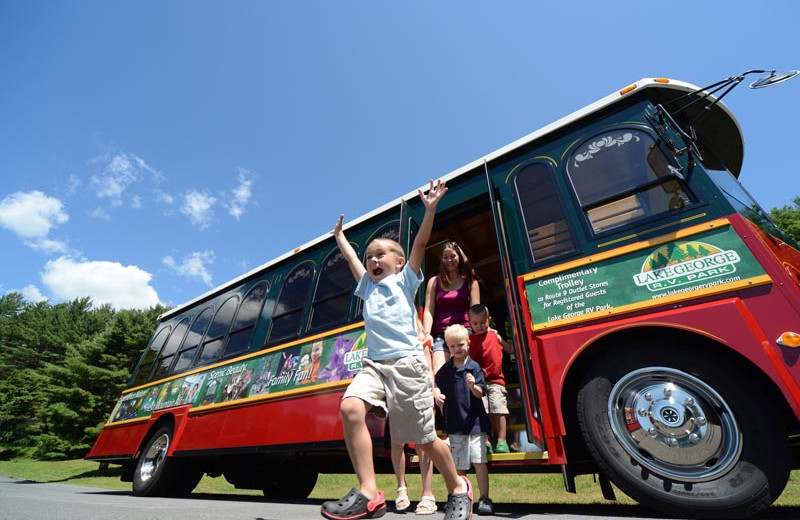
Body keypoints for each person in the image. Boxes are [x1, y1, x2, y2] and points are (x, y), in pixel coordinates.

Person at [321, 179, 473, 520]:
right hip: (375, 365)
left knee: (424, 441)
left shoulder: (406, 280)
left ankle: (458, 488)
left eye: (381, 254)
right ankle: (368, 492)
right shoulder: (367, 286)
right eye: (369, 256)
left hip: (407, 366)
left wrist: (429, 210)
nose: (373, 259)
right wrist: (340, 238)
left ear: (400, 262)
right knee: (350, 408)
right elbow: (351, 262)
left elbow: (420, 242)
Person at [434, 324, 494, 516]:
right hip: (455, 424)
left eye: (460, 345)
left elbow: (480, 393)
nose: (457, 349)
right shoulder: (446, 369)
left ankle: (485, 498)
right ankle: (461, 497)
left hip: (475, 423)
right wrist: (436, 394)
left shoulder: (474, 367)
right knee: (459, 465)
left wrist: (472, 385)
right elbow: (435, 383)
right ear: (448, 348)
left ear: (468, 344)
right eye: (452, 346)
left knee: (479, 461)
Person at [391, 318, 437, 514]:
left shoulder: (421, 339)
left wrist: (431, 391)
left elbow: (429, 369)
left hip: (420, 393)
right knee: (397, 442)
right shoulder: (390, 340)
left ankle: (428, 495)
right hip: (397, 393)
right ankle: (401, 489)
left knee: (424, 443)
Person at [422, 241, 480, 376]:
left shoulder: (471, 282)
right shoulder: (434, 282)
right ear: (441, 259)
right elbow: (428, 310)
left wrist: (483, 329)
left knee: (464, 374)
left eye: (453, 256)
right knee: (440, 374)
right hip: (441, 335)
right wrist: (426, 334)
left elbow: (476, 310)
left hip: (464, 332)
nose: (449, 260)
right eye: (445, 257)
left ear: (459, 256)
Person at [467, 304, 514, 454]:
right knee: (483, 411)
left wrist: (503, 339)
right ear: (470, 323)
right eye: (475, 324)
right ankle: (486, 441)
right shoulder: (470, 341)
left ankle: (502, 441)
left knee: (498, 409)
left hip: (496, 381)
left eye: (482, 322)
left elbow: (510, 350)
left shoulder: (495, 336)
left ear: (489, 320)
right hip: (479, 383)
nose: (479, 326)